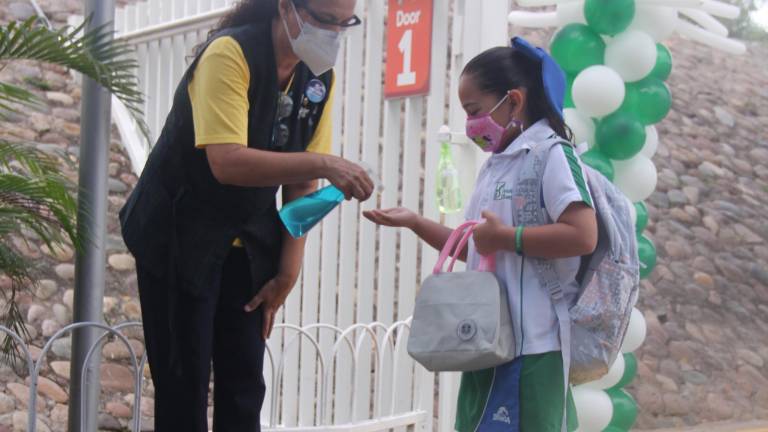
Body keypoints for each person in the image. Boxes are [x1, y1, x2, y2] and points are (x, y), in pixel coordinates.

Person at [119, 0, 373, 430]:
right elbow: (228, 161)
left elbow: (301, 187)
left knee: (244, 387)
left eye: (342, 24)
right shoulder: (229, 54)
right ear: (287, 8)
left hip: (248, 242)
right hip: (179, 235)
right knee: (184, 384)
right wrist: (326, 163)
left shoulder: (317, 78)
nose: (332, 34)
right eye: (323, 20)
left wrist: (287, 273)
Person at [364, 37, 598, 431]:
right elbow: (477, 245)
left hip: (534, 349)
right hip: (486, 344)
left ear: (514, 101)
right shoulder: (496, 165)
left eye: (474, 111)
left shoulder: (552, 155)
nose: (470, 124)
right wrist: (415, 222)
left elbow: (582, 234)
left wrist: (508, 237)